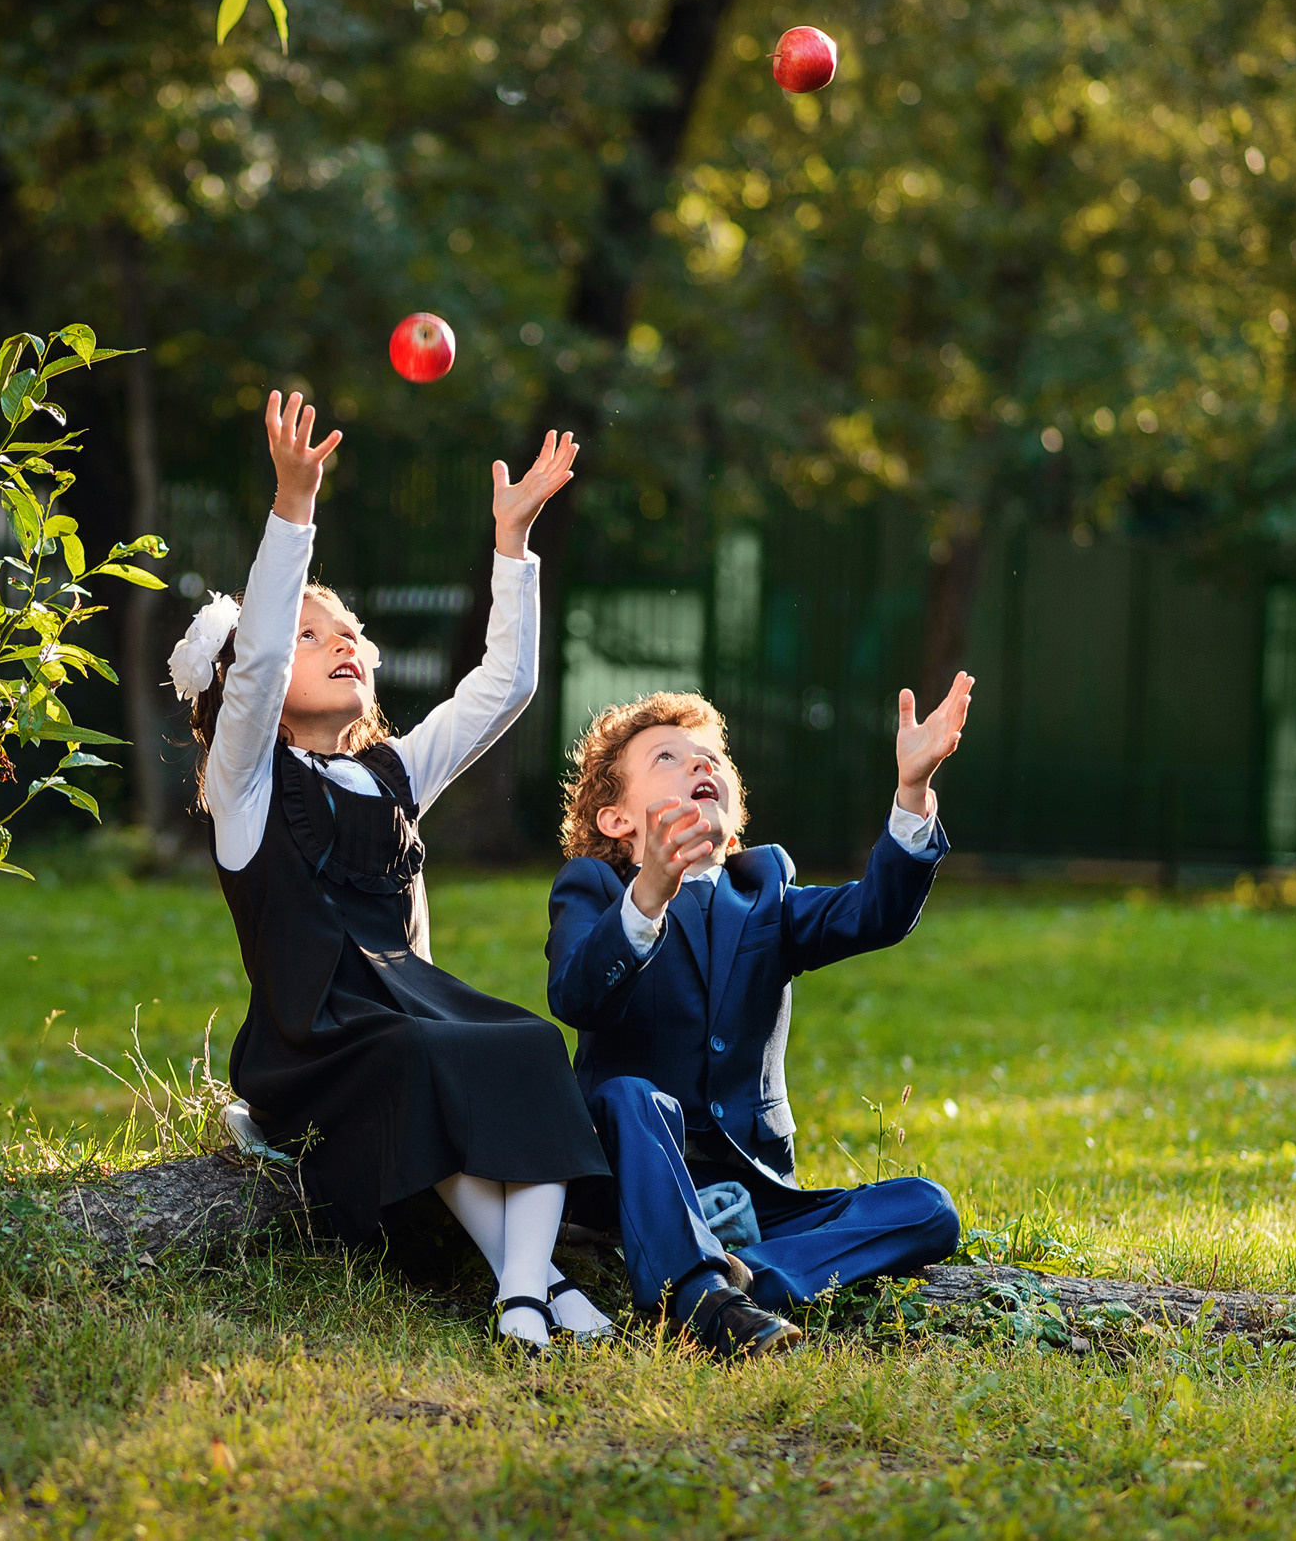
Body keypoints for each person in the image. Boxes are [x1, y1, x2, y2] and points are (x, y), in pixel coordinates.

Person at [173, 390, 611, 1352]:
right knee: (419, 1058)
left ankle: (524, 1289)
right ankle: (536, 1287)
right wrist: (295, 507)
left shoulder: (393, 772)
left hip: (413, 1012)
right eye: (308, 633)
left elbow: (507, 686)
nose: (343, 643)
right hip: (316, 1046)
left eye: (349, 633)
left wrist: (514, 541)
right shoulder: (244, 783)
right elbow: (251, 674)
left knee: (526, 1046)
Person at [543, 679, 974, 1358]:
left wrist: (912, 793)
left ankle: (743, 1283)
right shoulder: (596, 888)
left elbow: (876, 913)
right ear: (616, 820)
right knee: (628, 1093)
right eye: (668, 758)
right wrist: (650, 891)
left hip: (756, 1189)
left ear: (735, 826)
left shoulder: (762, 892)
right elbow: (575, 994)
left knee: (927, 1207)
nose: (700, 764)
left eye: (710, 757)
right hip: (631, 1174)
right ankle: (689, 1296)